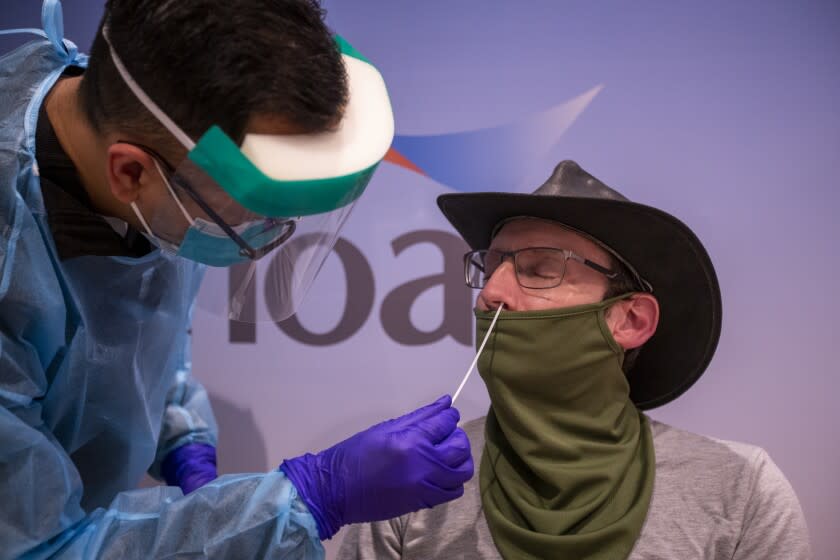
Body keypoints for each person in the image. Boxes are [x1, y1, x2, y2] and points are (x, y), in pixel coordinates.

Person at [0, 1, 473, 558]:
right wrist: (307, 499)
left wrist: (181, 433)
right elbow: (37, 548)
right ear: (129, 171)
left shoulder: (165, 156)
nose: (265, 229)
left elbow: (137, 328)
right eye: (254, 210)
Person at [337, 160, 812, 560]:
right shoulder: (411, 484)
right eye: (491, 268)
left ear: (630, 321)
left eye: (540, 269)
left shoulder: (740, 490)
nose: (492, 295)